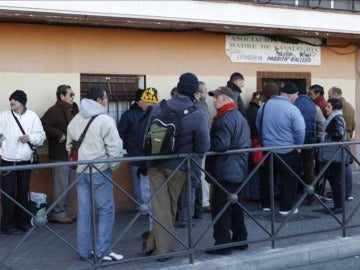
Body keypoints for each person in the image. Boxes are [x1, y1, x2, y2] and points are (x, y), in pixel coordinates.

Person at [144, 72, 210, 260]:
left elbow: (146, 136)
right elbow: (204, 146)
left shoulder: (158, 107)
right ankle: (163, 251)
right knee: (169, 207)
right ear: (195, 92)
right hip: (179, 166)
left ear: (178, 88)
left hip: (155, 163)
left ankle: (150, 243)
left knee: (159, 205)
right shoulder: (198, 113)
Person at [66, 86, 124, 261]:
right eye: (106, 98)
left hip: (81, 170)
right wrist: (112, 166)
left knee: (84, 211)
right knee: (106, 210)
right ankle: (103, 251)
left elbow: (69, 147)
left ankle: (84, 251)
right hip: (100, 170)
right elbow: (115, 148)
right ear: (99, 100)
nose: (107, 101)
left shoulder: (75, 119)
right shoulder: (105, 120)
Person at [205, 86, 250, 255]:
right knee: (236, 207)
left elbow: (221, 145)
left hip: (225, 169)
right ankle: (240, 239)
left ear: (226, 99)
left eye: (216, 97)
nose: (214, 100)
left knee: (220, 209)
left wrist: (207, 137)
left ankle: (222, 244)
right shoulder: (238, 116)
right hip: (238, 168)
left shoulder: (224, 119)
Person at [0, 90, 46, 235]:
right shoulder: (4, 115)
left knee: (22, 192)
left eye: (15, 100)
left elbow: (41, 136)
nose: (12, 102)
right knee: (7, 194)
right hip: (7, 160)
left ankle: (22, 222)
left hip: (25, 161)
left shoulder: (32, 117)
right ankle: (7, 225)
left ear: (22, 102)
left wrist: (29, 138)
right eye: (11, 100)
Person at [256, 82, 305, 215]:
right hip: (287, 150)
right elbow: (300, 130)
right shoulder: (292, 109)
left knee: (268, 178)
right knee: (289, 179)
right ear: (290, 95)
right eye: (296, 95)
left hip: (268, 150)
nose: (297, 98)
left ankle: (266, 205)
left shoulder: (265, 106)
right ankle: (285, 208)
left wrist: (263, 141)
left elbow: (258, 125)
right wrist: (299, 145)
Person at [41, 85, 79, 224]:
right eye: (70, 94)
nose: (73, 96)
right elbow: (42, 125)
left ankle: (63, 211)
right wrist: (59, 135)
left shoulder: (73, 110)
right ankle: (57, 213)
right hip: (60, 154)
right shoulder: (54, 110)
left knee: (69, 185)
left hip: (73, 154)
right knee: (61, 186)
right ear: (62, 96)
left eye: (73, 94)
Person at [133, 87, 160, 243]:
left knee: (151, 200)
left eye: (141, 101)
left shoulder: (150, 117)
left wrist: (144, 162)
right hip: (146, 164)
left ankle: (154, 234)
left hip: (149, 166)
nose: (138, 104)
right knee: (149, 200)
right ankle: (152, 231)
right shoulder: (150, 115)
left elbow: (149, 142)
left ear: (146, 101)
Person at [294, 86, 325, 205]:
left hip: (295, 143)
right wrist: (318, 133)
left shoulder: (293, 105)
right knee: (309, 170)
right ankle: (310, 198)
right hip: (310, 143)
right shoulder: (314, 107)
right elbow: (322, 122)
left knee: (292, 169)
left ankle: (291, 196)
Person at [117, 89, 145, 204]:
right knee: (138, 182)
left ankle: (146, 207)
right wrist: (128, 146)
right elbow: (120, 134)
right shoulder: (128, 114)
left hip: (143, 154)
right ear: (140, 100)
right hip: (136, 154)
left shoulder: (129, 114)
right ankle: (142, 206)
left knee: (145, 182)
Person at [328, 86, 355, 201]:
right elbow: (353, 125)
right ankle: (345, 192)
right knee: (345, 165)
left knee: (344, 166)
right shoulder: (349, 106)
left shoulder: (342, 107)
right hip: (347, 137)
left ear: (336, 95)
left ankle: (346, 193)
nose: (329, 98)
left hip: (342, 140)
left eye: (330, 95)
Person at [321, 98, 347, 214]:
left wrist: (324, 135)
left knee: (336, 180)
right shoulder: (333, 118)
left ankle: (339, 206)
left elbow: (338, 135)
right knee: (334, 180)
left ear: (334, 108)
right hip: (332, 153)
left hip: (334, 154)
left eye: (328, 106)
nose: (325, 108)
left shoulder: (337, 118)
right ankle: (338, 205)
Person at [245, 92, 263, 200]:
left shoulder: (247, 110)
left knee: (250, 169)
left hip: (249, 142)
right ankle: (255, 194)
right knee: (257, 168)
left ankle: (249, 193)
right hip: (256, 143)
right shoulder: (258, 112)